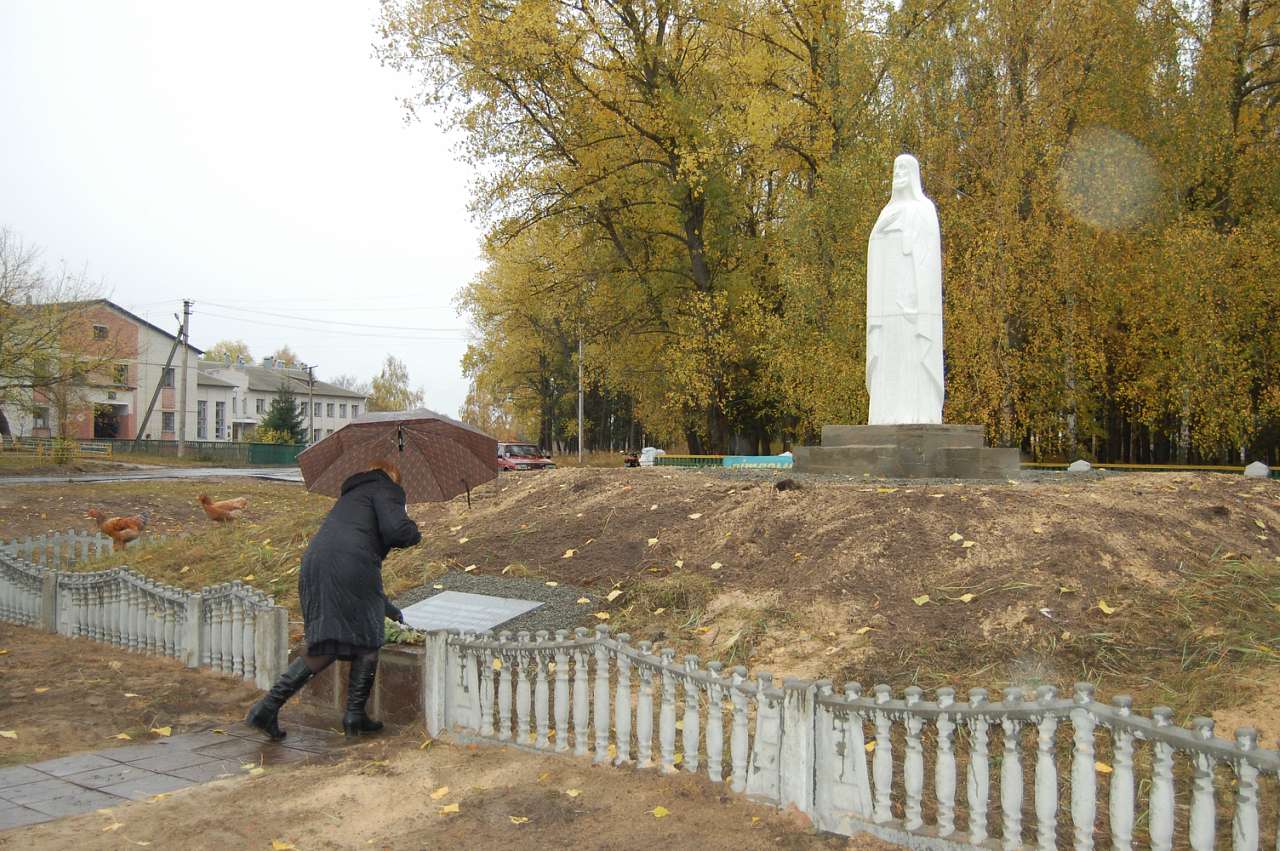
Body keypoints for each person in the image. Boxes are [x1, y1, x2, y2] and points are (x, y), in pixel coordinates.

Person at [247, 459, 421, 739]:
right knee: (369, 637)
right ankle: (353, 715)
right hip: (349, 565)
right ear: (393, 476)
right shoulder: (387, 488)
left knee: (328, 642)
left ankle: (266, 708)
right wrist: (415, 532)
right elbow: (397, 532)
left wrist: (385, 608)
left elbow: (357, 564)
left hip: (316, 564)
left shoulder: (353, 495)